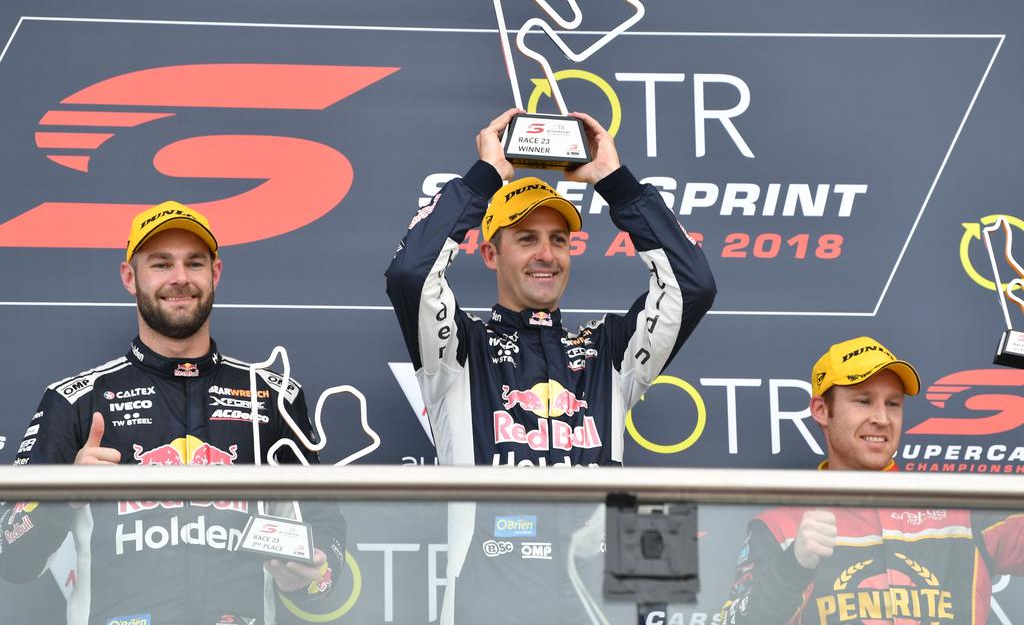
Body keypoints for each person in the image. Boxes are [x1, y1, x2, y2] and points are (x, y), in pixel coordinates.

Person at [386, 109, 716, 622]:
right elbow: (411, 273)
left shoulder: (608, 353)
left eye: (558, 239)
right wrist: (485, 177)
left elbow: (691, 286)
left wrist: (617, 184)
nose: (547, 254)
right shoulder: (458, 353)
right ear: (491, 254)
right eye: (526, 239)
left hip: (598, 610)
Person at [0, 201, 348, 625]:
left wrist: (313, 577)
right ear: (130, 277)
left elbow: (324, 540)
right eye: (161, 264)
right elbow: (10, 555)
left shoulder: (273, 397)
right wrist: (64, 496)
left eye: (194, 263)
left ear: (215, 273)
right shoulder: (75, 400)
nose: (180, 278)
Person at [715, 336, 1024, 625]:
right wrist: (793, 566)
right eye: (863, 401)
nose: (882, 418)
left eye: (893, 404)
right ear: (822, 410)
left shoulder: (964, 508)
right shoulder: (778, 527)